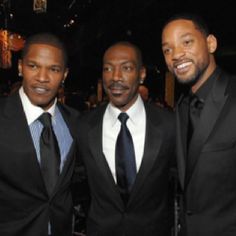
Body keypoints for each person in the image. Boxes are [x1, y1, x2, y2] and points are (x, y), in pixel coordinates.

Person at [76, 41, 175, 236]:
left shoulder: (169, 124)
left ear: (142, 74)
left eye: (127, 68)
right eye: (108, 68)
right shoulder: (83, 126)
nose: (115, 77)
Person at [161, 12, 236, 236]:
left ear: (210, 43)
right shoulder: (182, 107)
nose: (176, 55)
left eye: (186, 42)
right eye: (167, 49)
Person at [0, 32, 80, 236]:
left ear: (64, 75)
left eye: (53, 69)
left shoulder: (76, 122)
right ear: (20, 68)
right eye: (33, 66)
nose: (42, 78)